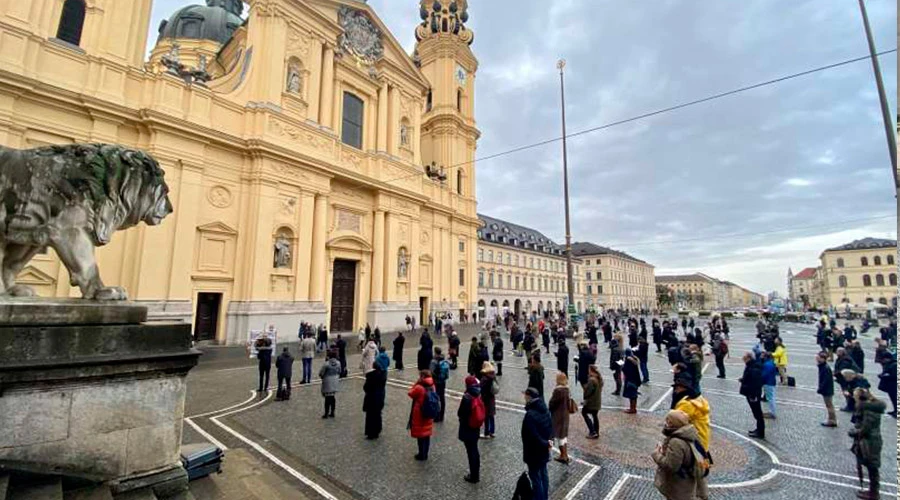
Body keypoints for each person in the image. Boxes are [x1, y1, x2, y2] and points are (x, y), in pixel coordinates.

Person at [651, 410, 702, 500]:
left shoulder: (676, 442)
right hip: (687, 483)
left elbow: (671, 466)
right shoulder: (691, 435)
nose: (665, 422)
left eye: (667, 420)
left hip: (678, 486)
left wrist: (656, 454)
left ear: (671, 423)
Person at [849, 387, 886, 499]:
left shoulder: (868, 411)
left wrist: (853, 432)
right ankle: (873, 491)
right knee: (872, 467)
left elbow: (865, 429)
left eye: (855, 396)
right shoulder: (871, 408)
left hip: (870, 442)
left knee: (872, 467)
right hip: (872, 440)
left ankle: (874, 493)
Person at [521, 387, 553, 500]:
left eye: (525, 395)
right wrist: (548, 442)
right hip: (544, 449)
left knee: (535, 476)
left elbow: (532, 435)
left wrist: (544, 443)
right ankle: (545, 497)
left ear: (529, 397)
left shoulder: (530, 415)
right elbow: (550, 428)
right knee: (543, 473)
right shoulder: (545, 410)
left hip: (533, 451)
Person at [671, 373, 711, 451]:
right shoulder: (697, 399)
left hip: (695, 439)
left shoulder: (686, 404)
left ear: (682, 388)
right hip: (702, 436)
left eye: (677, 388)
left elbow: (674, 421)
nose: (675, 390)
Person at [458, 375, 483, 483]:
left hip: (468, 427)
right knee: (474, 450)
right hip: (476, 427)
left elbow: (461, 413)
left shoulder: (467, 397)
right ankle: (475, 473)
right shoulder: (477, 394)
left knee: (471, 451)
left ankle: (474, 476)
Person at [407, 370, 436, 461]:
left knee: (420, 436)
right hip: (429, 412)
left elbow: (410, 393)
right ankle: (425, 453)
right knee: (426, 435)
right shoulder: (432, 385)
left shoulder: (419, 387)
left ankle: (421, 454)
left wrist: (416, 383)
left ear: (422, 377)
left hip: (420, 413)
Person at [739, 352, 765, 439]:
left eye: (745, 359)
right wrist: (743, 380)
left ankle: (760, 432)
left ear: (749, 358)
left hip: (753, 394)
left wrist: (753, 395)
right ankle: (758, 429)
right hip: (750, 392)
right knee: (756, 413)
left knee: (758, 413)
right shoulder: (751, 366)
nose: (744, 361)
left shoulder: (754, 368)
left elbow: (755, 383)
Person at [548, 372, 572, 464]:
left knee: (557, 436)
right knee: (563, 435)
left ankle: (563, 455)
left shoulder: (558, 391)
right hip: (565, 415)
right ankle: (564, 454)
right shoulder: (567, 390)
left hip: (558, 416)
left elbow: (552, 403)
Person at [362, 361, 387, 439]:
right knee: (378, 414)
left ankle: (371, 433)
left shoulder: (371, 376)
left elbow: (366, 387)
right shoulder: (383, 375)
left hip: (371, 398)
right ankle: (377, 430)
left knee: (370, 416)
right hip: (380, 397)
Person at [834, 347, 861, 412]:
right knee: (847, 392)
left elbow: (842, 370)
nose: (836, 353)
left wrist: (835, 374)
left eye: (838, 351)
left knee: (848, 392)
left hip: (847, 379)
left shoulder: (845, 360)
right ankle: (850, 406)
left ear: (841, 352)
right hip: (845, 378)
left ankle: (850, 406)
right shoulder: (843, 358)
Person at [816, 352, 837, 427]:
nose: (816, 358)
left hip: (827, 390)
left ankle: (832, 420)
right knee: (829, 405)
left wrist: (821, 388)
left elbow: (825, 380)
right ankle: (831, 419)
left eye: (818, 357)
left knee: (829, 405)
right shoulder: (823, 367)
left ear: (823, 359)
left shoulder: (825, 368)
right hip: (827, 389)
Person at [582, 365, 603, 439]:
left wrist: (585, 389)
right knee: (595, 416)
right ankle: (596, 431)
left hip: (591, 402)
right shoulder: (599, 378)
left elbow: (588, 392)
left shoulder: (592, 380)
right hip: (597, 401)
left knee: (584, 413)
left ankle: (592, 431)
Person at [429, 347, 450, 422]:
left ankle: (436, 416)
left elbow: (431, 372)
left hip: (436, 382)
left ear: (435, 352)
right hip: (443, 381)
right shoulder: (444, 360)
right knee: (442, 398)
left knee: (436, 398)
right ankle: (442, 416)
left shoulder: (434, 361)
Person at [319, 350, 341, 418]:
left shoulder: (326, 364)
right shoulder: (338, 363)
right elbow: (339, 371)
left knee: (327, 398)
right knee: (332, 397)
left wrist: (323, 377)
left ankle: (326, 413)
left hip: (327, 381)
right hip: (335, 380)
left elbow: (321, 373)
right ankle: (332, 412)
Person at [876, 351, 897, 418]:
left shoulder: (894, 365)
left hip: (893, 385)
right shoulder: (890, 364)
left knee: (895, 398)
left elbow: (894, 376)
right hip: (891, 385)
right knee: (893, 399)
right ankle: (895, 410)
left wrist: (883, 376)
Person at [480, 361, 498, 438]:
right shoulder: (493, 377)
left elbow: (482, 389)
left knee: (486, 416)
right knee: (491, 416)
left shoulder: (485, 379)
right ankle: (492, 431)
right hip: (492, 398)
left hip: (485, 399)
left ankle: (486, 433)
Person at [622, 347, 642, 414]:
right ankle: (633, 408)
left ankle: (632, 409)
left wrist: (622, 366)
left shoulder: (628, 361)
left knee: (632, 395)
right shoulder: (634, 359)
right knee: (634, 395)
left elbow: (626, 370)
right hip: (635, 379)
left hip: (630, 380)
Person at [760, 352, 778, 419]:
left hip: (768, 383)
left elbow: (764, 375)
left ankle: (772, 413)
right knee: (770, 397)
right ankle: (771, 411)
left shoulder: (767, 364)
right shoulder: (771, 363)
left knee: (770, 398)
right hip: (771, 382)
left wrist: (761, 381)